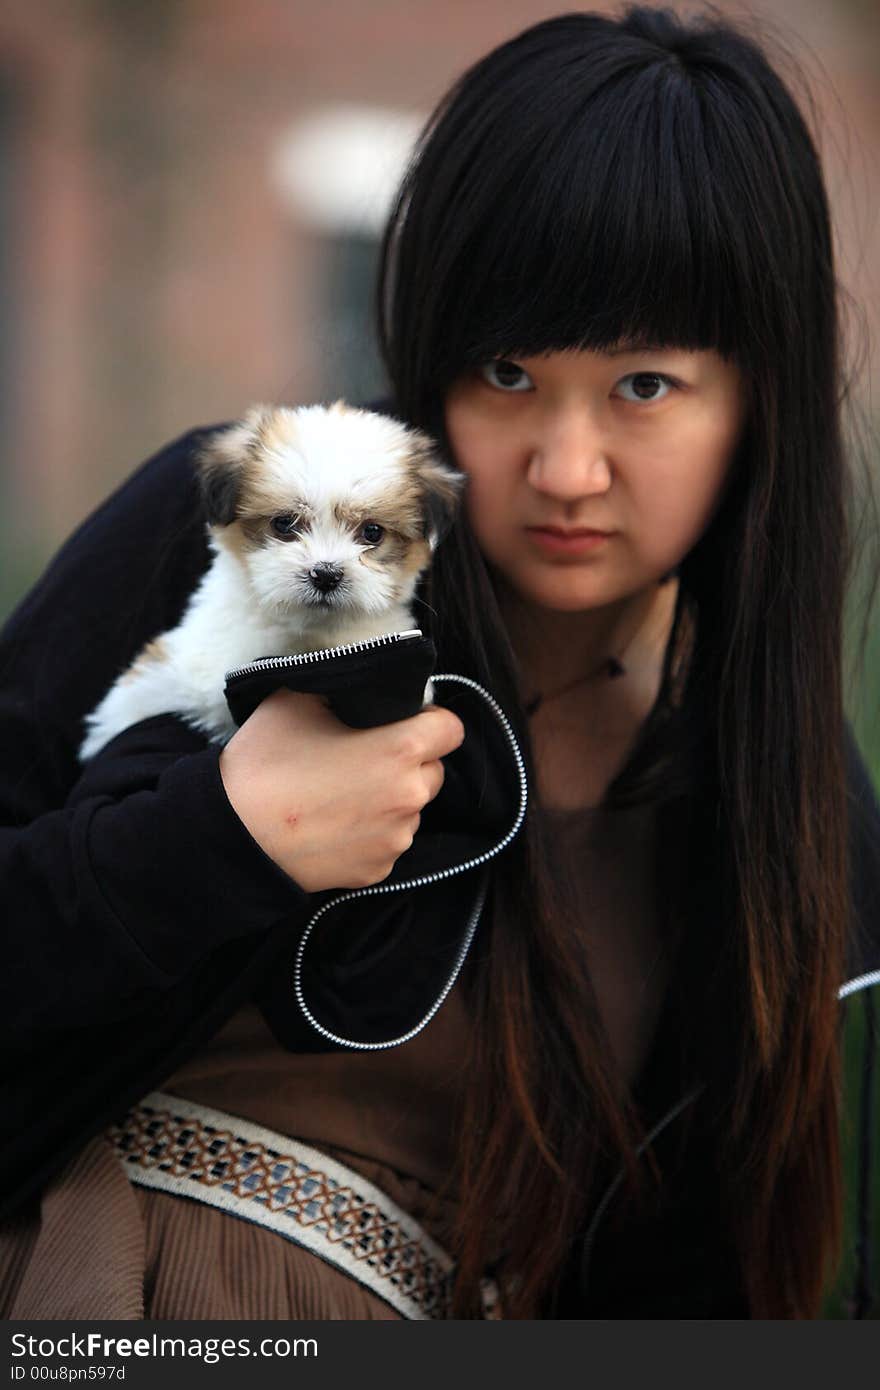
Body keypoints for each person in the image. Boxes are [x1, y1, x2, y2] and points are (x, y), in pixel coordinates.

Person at [1, 4, 879, 1321]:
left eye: (645, 386)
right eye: (509, 372)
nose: (567, 468)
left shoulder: (787, 815)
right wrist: (224, 834)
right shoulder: (244, 534)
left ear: (760, 397)